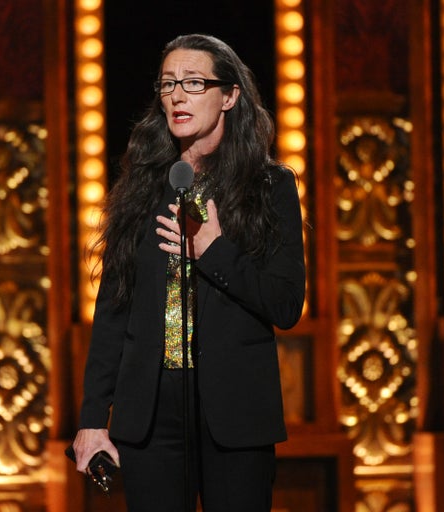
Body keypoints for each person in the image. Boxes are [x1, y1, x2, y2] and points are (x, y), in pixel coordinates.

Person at [69, 33, 306, 512]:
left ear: (230, 95)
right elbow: (113, 311)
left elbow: (285, 305)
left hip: (234, 415)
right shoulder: (141, 186)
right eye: (168, 84)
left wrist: (214, 251)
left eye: (194, 83)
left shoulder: (269, 186)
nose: (177, 95)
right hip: (151, 417)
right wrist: (93, 418)